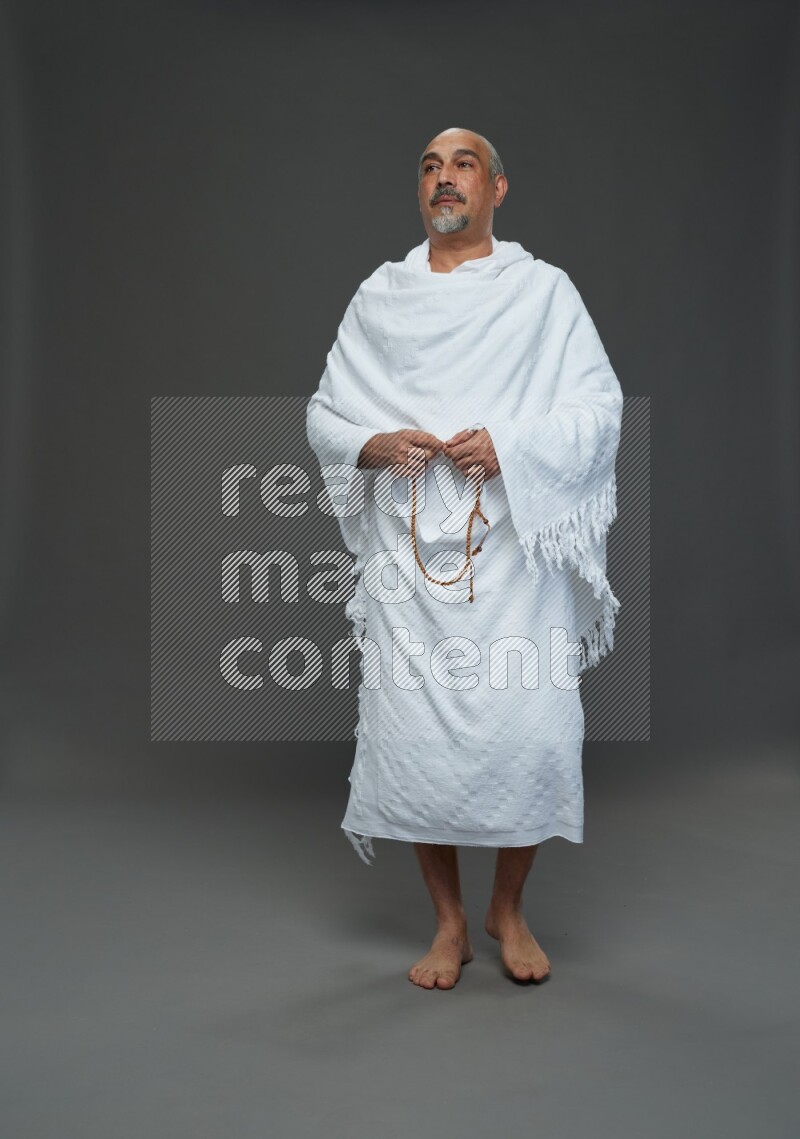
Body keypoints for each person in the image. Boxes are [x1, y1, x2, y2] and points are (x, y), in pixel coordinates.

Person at [306, 127, 623, 990]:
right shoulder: (382, 295)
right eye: (431, 168)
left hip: (516, 550)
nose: (445, 180)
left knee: (530, 730)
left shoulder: (544, 294)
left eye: (464, 165)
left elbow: (600, 406)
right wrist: (374, 442)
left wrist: (511, 446)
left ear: (498, 188)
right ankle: (449, 922)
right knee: (415, 737)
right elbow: (325, 412)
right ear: (422, 191)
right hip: (410, 556)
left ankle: (507, 909)